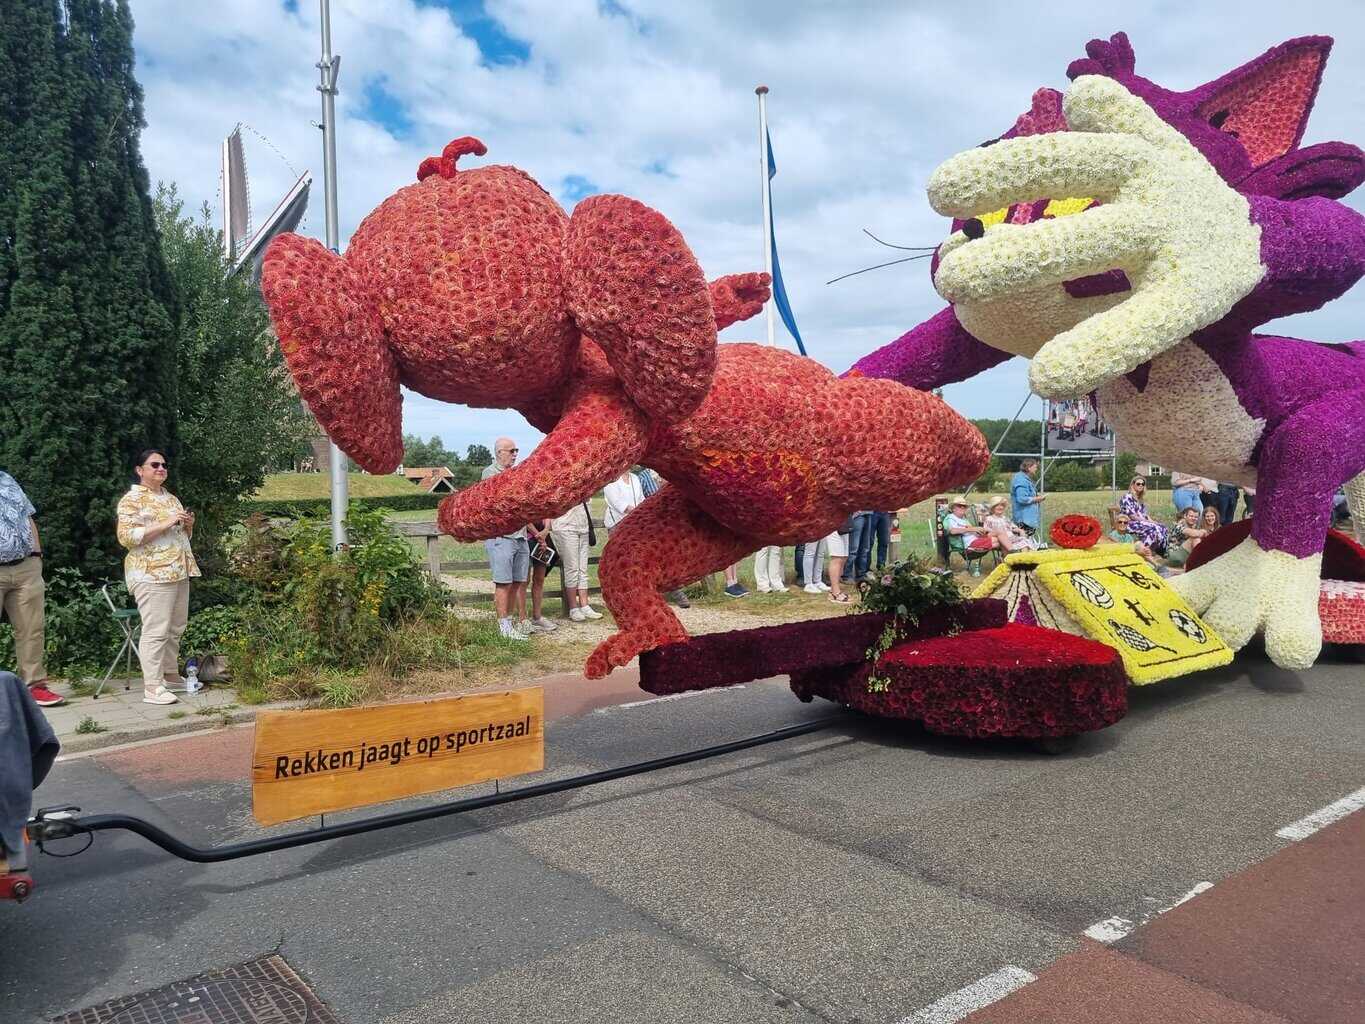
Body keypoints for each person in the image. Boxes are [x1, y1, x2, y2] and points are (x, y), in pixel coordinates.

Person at [117, 449, 200, 704]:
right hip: (151, 574)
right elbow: (127, 537)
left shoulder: (171, 498)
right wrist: (166, 522)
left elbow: (182, 538)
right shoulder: (132, 500)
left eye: (164, 464)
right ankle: (152, 688)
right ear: (139, 470)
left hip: (178, 570)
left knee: (175, 627)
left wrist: (188, 525)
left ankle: (170, 675)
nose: (161, 468)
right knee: (156, 630)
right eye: (154, 464)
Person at [0, 471, 62, 707]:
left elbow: (27, 516)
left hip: (26, 567)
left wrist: (37, 555)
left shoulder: (6, 479)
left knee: (32, 630)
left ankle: (34, 687)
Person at [482, 438, 531, 641]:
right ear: (499, 452)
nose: (514, 454)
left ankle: (509, 624)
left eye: (516, 450)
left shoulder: (516, 473)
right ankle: (503, 627)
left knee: (517, 582)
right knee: (503, 583)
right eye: (511, 450)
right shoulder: (490, 473)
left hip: (520, 536)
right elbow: (502, 501)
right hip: (501, 537)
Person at [550, 501, 602, 623]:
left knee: (582, 569)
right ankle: (573, 608)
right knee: (572, 568)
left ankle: (584, 605)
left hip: (582, 526)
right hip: (565, 526)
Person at [519, 519, 559, 633]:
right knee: (523, 580)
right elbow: (525, 518)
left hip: (543, 541)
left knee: (539, 579)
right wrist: (538, 535)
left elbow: (547, 515)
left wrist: (546, 530)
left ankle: (537, 616)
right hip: (526, 539)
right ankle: (522, 619)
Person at [1117, 475, 1169, 556]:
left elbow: (1145, 514)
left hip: (1141, 522)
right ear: (1133, 485)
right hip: (1129, 523)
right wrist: (1149, 522)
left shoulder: (1140, 498)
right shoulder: (1127, 497)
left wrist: (1153, 521)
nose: (1141, 485)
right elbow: (1132, 516)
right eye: (1138, 484)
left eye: (1142, 484)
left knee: (1163, 527)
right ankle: (1144, 551)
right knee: (1153, 528)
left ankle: (1159, 550)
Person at [944, 497, 997, 575]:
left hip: (976, 540)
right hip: (969, 546)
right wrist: (972, 529)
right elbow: (952, 531)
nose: (962, 507)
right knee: (998, 540)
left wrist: (980, 531)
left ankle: (1005, 563)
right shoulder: (950, 518)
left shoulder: (964, 520)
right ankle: (1007, 563)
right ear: (953, 508)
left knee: (999, 536)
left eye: (964, 506)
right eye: (959, 506)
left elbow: (973, 531)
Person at [1010, 459, 1045, 535]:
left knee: (1026, 538)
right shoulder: (1021, 480)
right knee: (1023, 540)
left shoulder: (1024, 479)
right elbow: (1022, 499)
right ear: (1029, 468)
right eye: (1035, 467)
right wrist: (1037, 499)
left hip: (1027, 518)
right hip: (1024, 519)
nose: (1036, 469)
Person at [825, 526, 851, 603]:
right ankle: (835, 593)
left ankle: (833, 590)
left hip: (844, 525)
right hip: (833, 526)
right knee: (837, 557)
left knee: (844, 557)